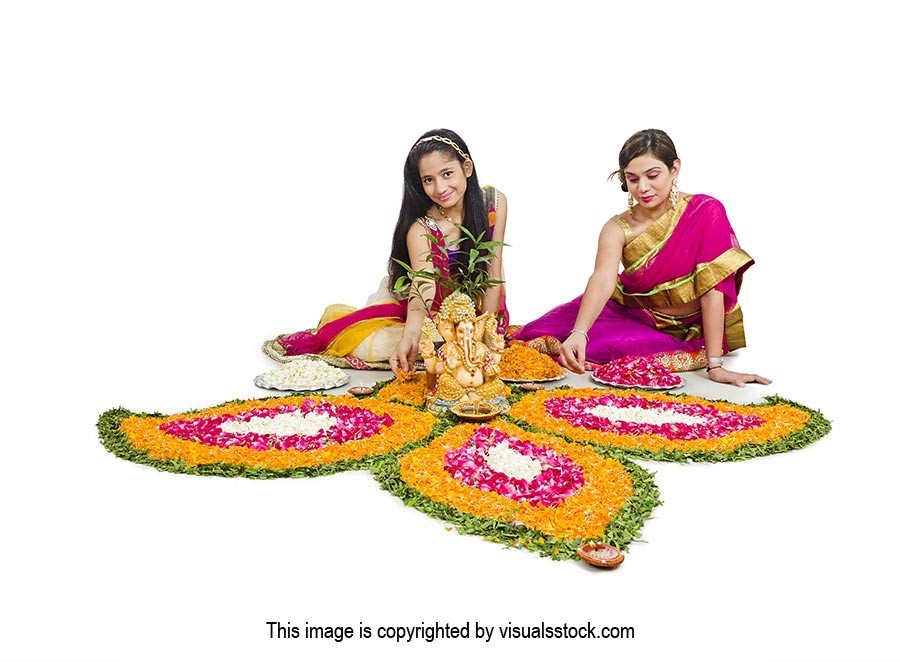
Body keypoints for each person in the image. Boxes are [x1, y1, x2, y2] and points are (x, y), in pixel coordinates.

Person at [516, 129, 770, 387]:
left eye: (653, 175)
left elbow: (713, 287)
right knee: (544, 336)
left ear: (675, 169)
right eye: (633, 179)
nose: (643, 188)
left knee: (606, 350)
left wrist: (715, 365)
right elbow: (603, 278)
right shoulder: (617, 227)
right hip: (630, 310)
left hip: (685, 327)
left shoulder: (705, 211)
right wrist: (579, 332)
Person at [265, 129, 508, 374]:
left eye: (447, 174)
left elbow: (492, 270)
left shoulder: (493, 203)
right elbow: (424, 284)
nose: (440, 187)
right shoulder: (421, 228)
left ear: (467, 167)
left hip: (476, 309)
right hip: (431, 312)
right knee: (392, 345)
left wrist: (484, 332)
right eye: (428, 180)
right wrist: (411, 335)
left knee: (483, 350)